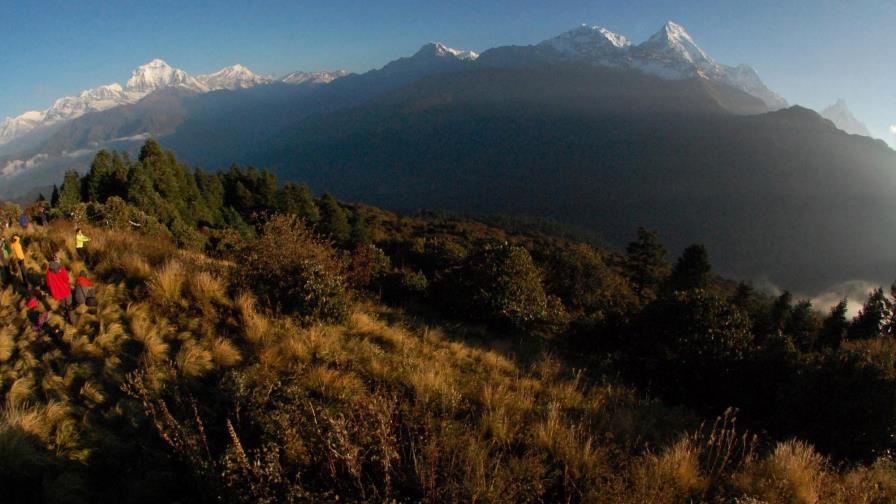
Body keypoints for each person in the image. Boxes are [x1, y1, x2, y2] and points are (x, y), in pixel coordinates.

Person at [46, 253, 75, 323]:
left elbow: (49, 284)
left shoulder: (49, 272)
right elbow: (66, 279)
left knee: (63, 305)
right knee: (69, 306)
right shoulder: (61, 269)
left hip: (58, 293)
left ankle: (64, 316)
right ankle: (72, 321)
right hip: (66, 291)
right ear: (57, 261)